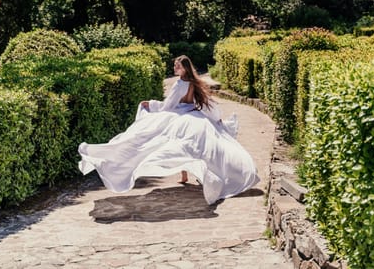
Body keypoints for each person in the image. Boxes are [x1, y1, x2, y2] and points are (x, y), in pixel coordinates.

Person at [78, 55, 260, 205]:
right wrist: (217, 120)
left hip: (179, 116)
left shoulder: (180, 84)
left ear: (184, 68)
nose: (175, 68)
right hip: (195, 116)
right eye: (175, 65)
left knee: (149, 140)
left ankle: (183, 174)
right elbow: (206, 105)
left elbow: (168, 106)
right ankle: (186, 175)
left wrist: (151, 105)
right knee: (190, 146)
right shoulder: (195, 83)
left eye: (177, 66)